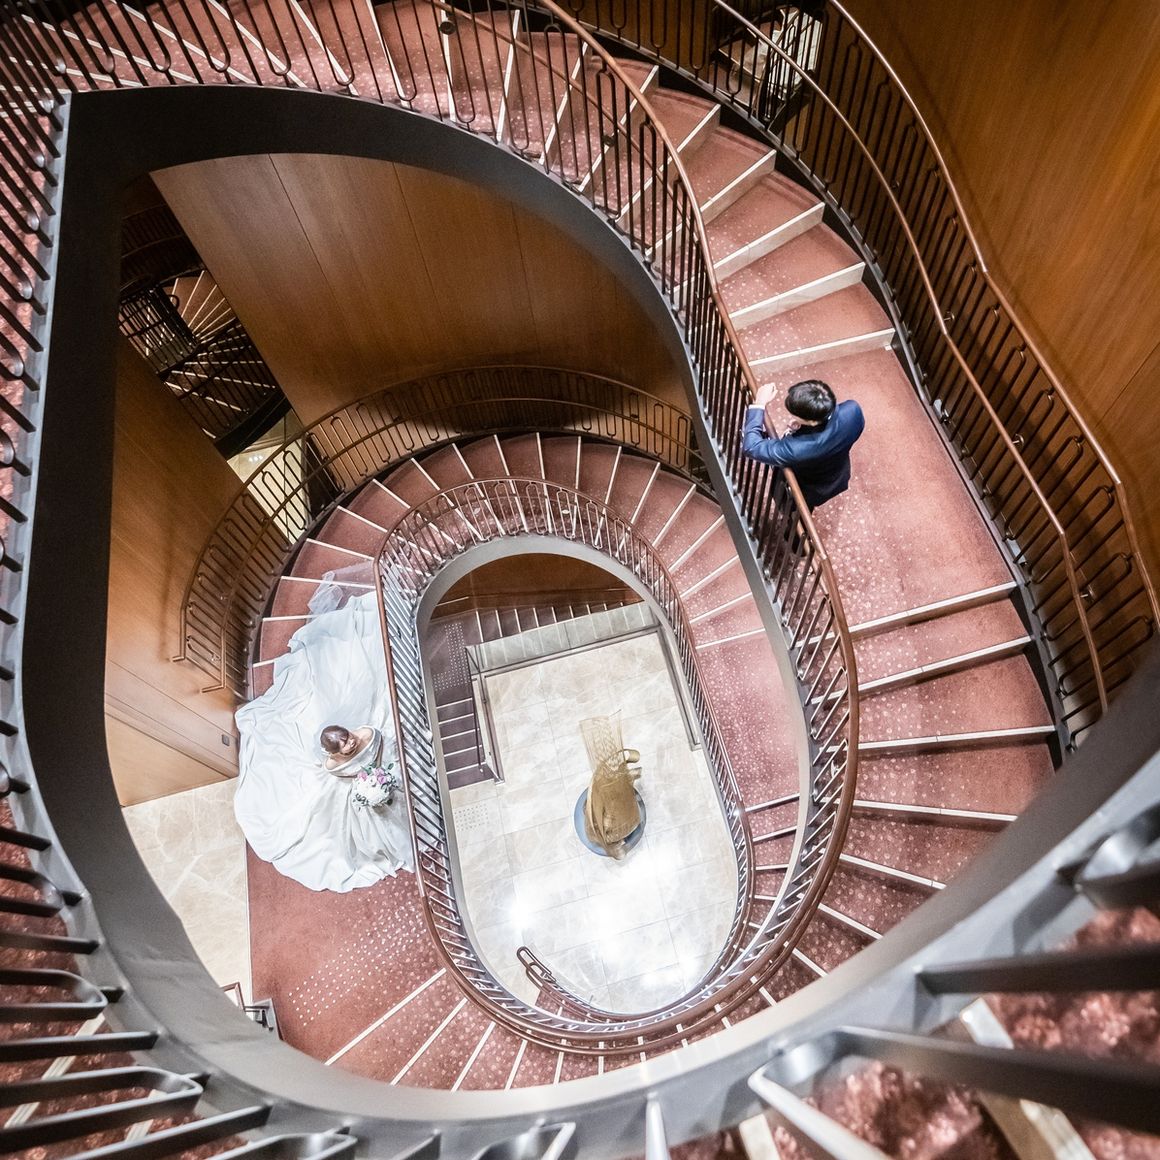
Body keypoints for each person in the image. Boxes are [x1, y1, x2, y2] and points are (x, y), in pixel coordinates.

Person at [234, 590, 414, 892]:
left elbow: (377, 740)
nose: (350, 745)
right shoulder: (332, 765)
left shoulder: (365, 733)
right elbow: (340, 773)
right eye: (343, 745)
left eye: (348, 739)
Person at [741, 380, 865, 509]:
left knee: (794, 510)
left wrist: (759, 404)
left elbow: (751, 447)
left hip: (808, 488)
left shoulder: (797, 449)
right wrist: (803, 427)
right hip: (836, 474)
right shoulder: (853, 410)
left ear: (812, 421)